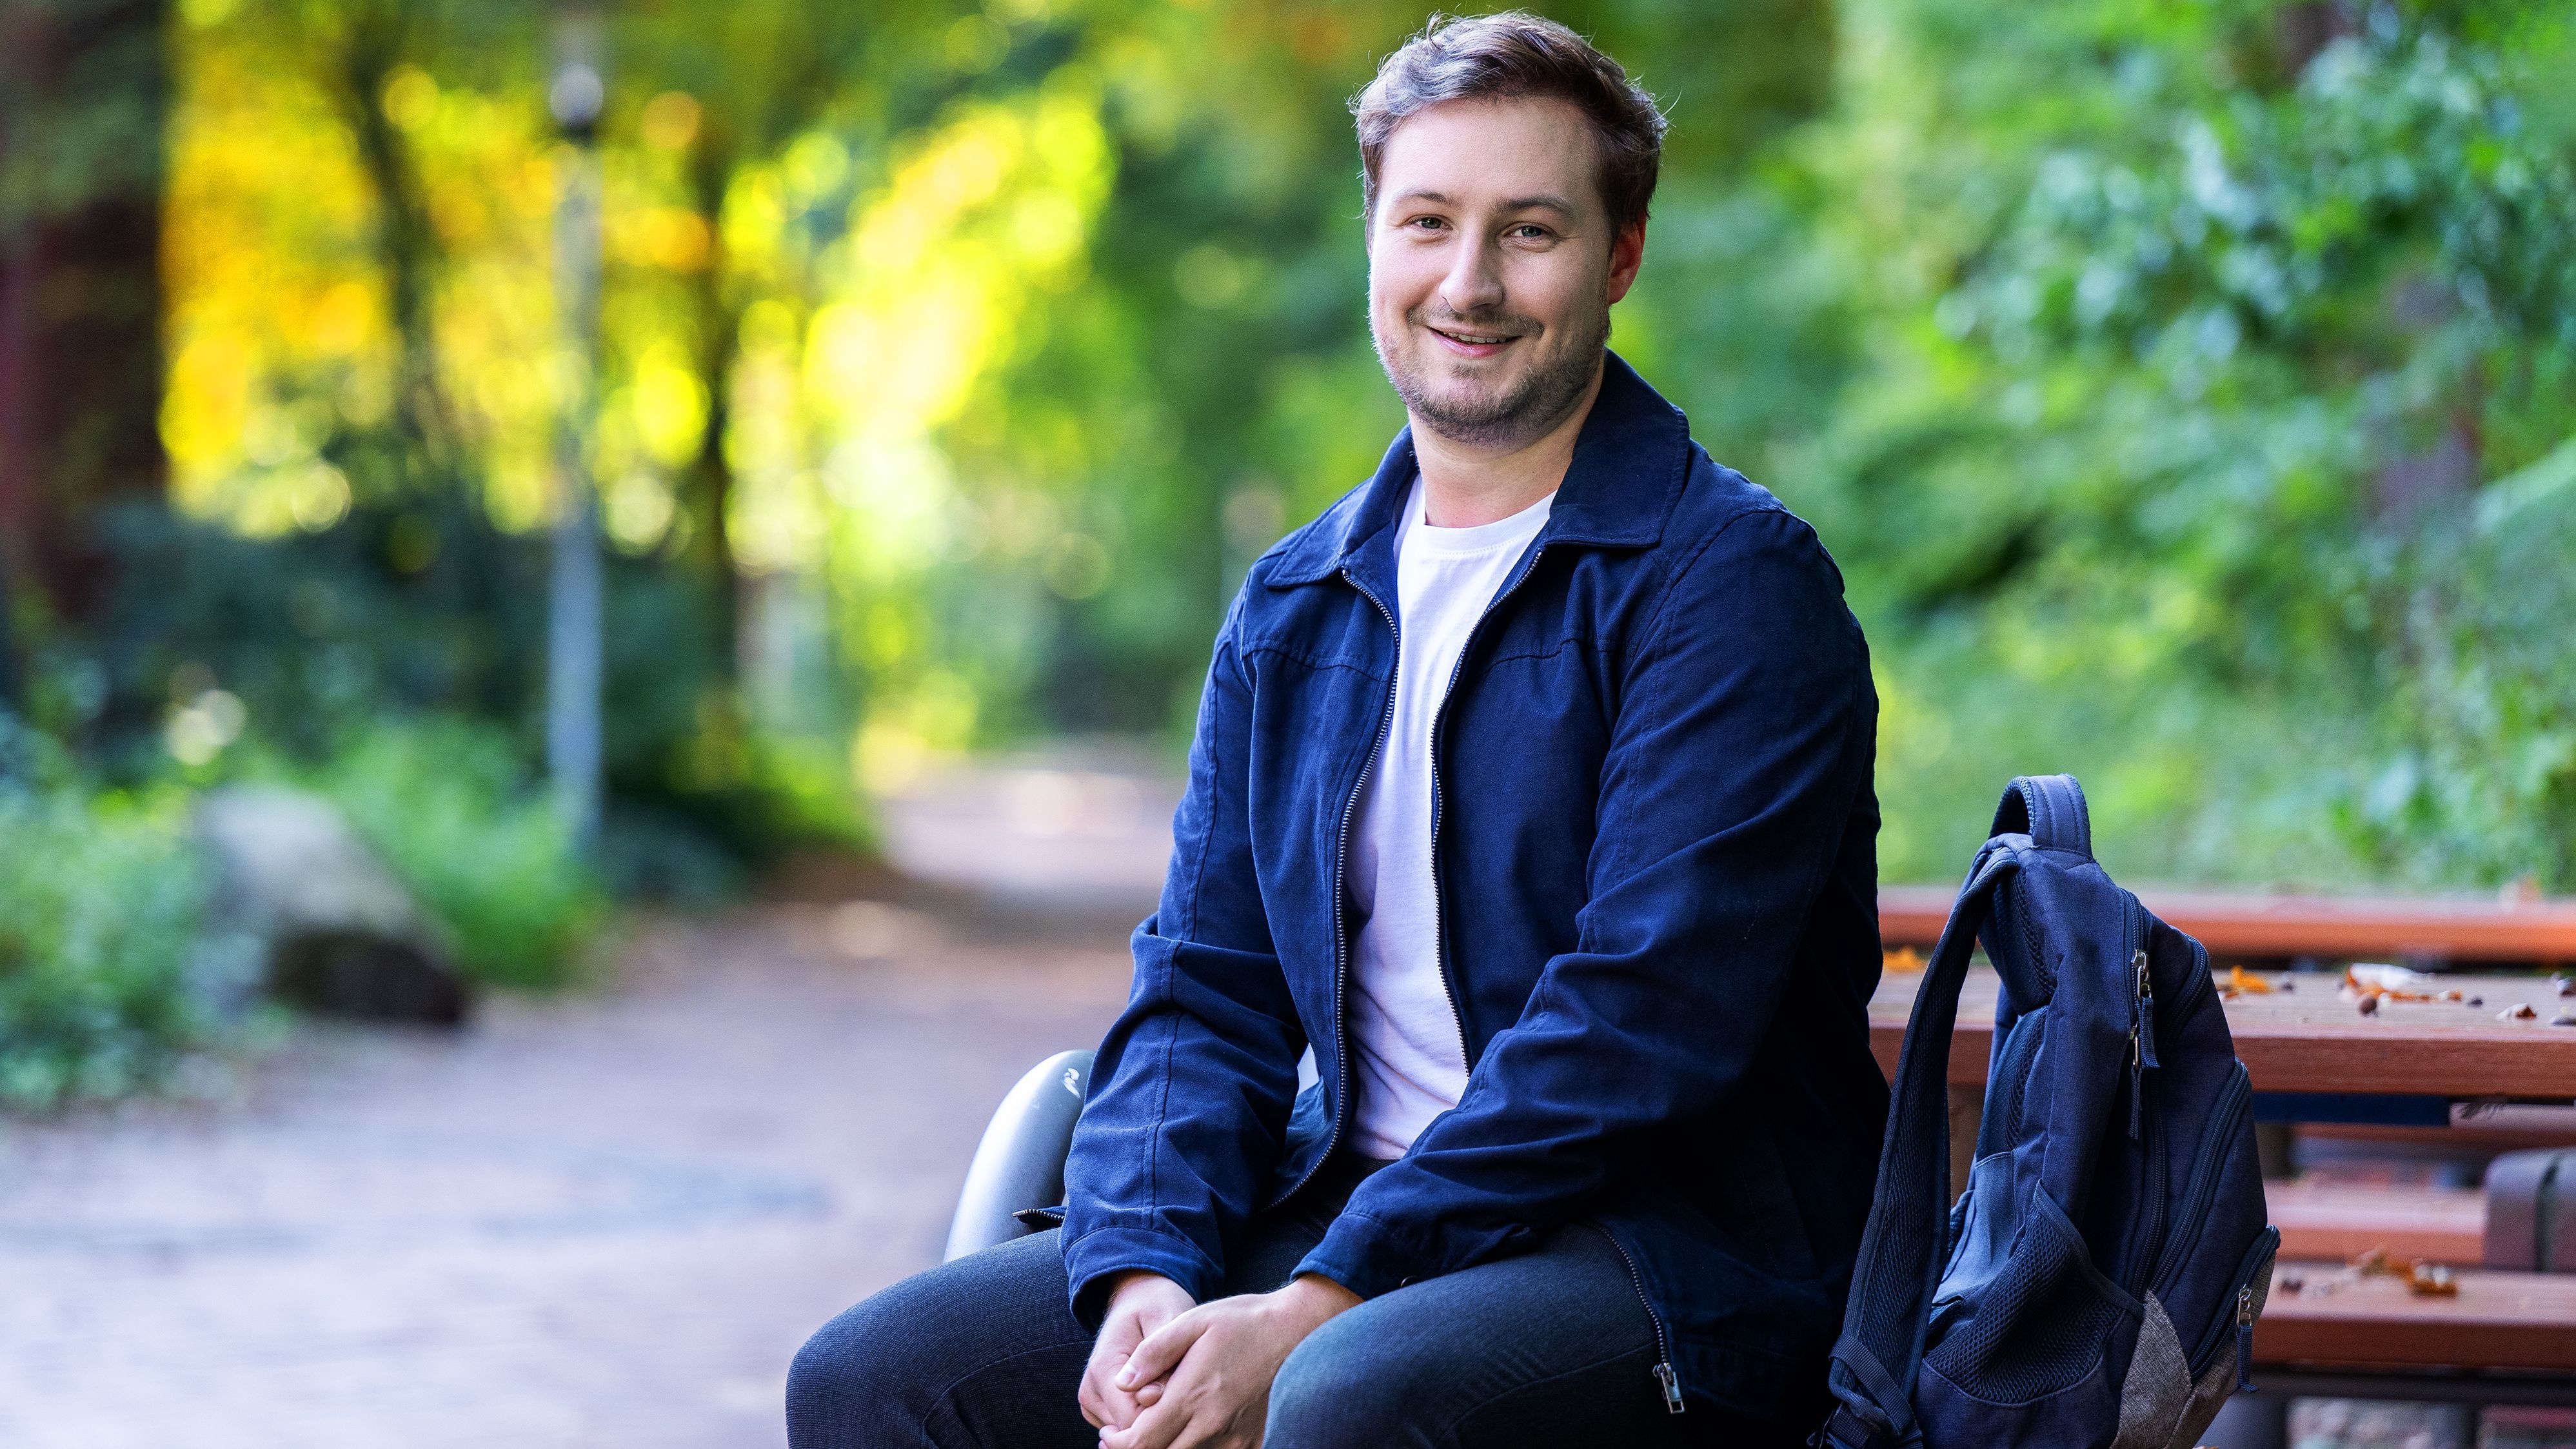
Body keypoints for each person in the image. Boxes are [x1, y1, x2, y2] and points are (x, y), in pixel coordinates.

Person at [786, 13, 1886, 1448]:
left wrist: (1319, 1297)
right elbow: (1205, 987)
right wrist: (1140, 1264)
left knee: (1347, 1396)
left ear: (1616, 258)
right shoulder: (1299, 601)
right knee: (879, 1379)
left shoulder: (1728, 583)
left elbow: (1639, 1024)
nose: (1468, 282)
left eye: (1530, 230)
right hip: (1344, 1202)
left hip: (1667, 1250)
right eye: (1426, 221)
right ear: (1373, 236)